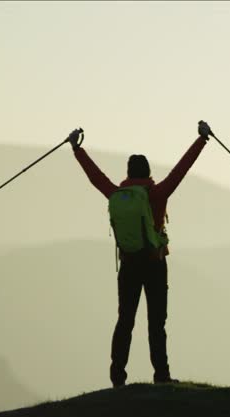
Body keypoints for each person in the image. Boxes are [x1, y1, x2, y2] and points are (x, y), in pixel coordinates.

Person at [68, 122, 211, 388]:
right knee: (156, 322)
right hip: (155, 264)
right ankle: (161, 375)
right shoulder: (157, 193)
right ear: (148, 173)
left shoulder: (117, 194)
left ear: (128, 174)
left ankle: (117, 377)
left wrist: (77, 149)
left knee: (125, 320)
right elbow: (182, 169)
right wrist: (201, 140)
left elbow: (95, 177)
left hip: (129, 265)